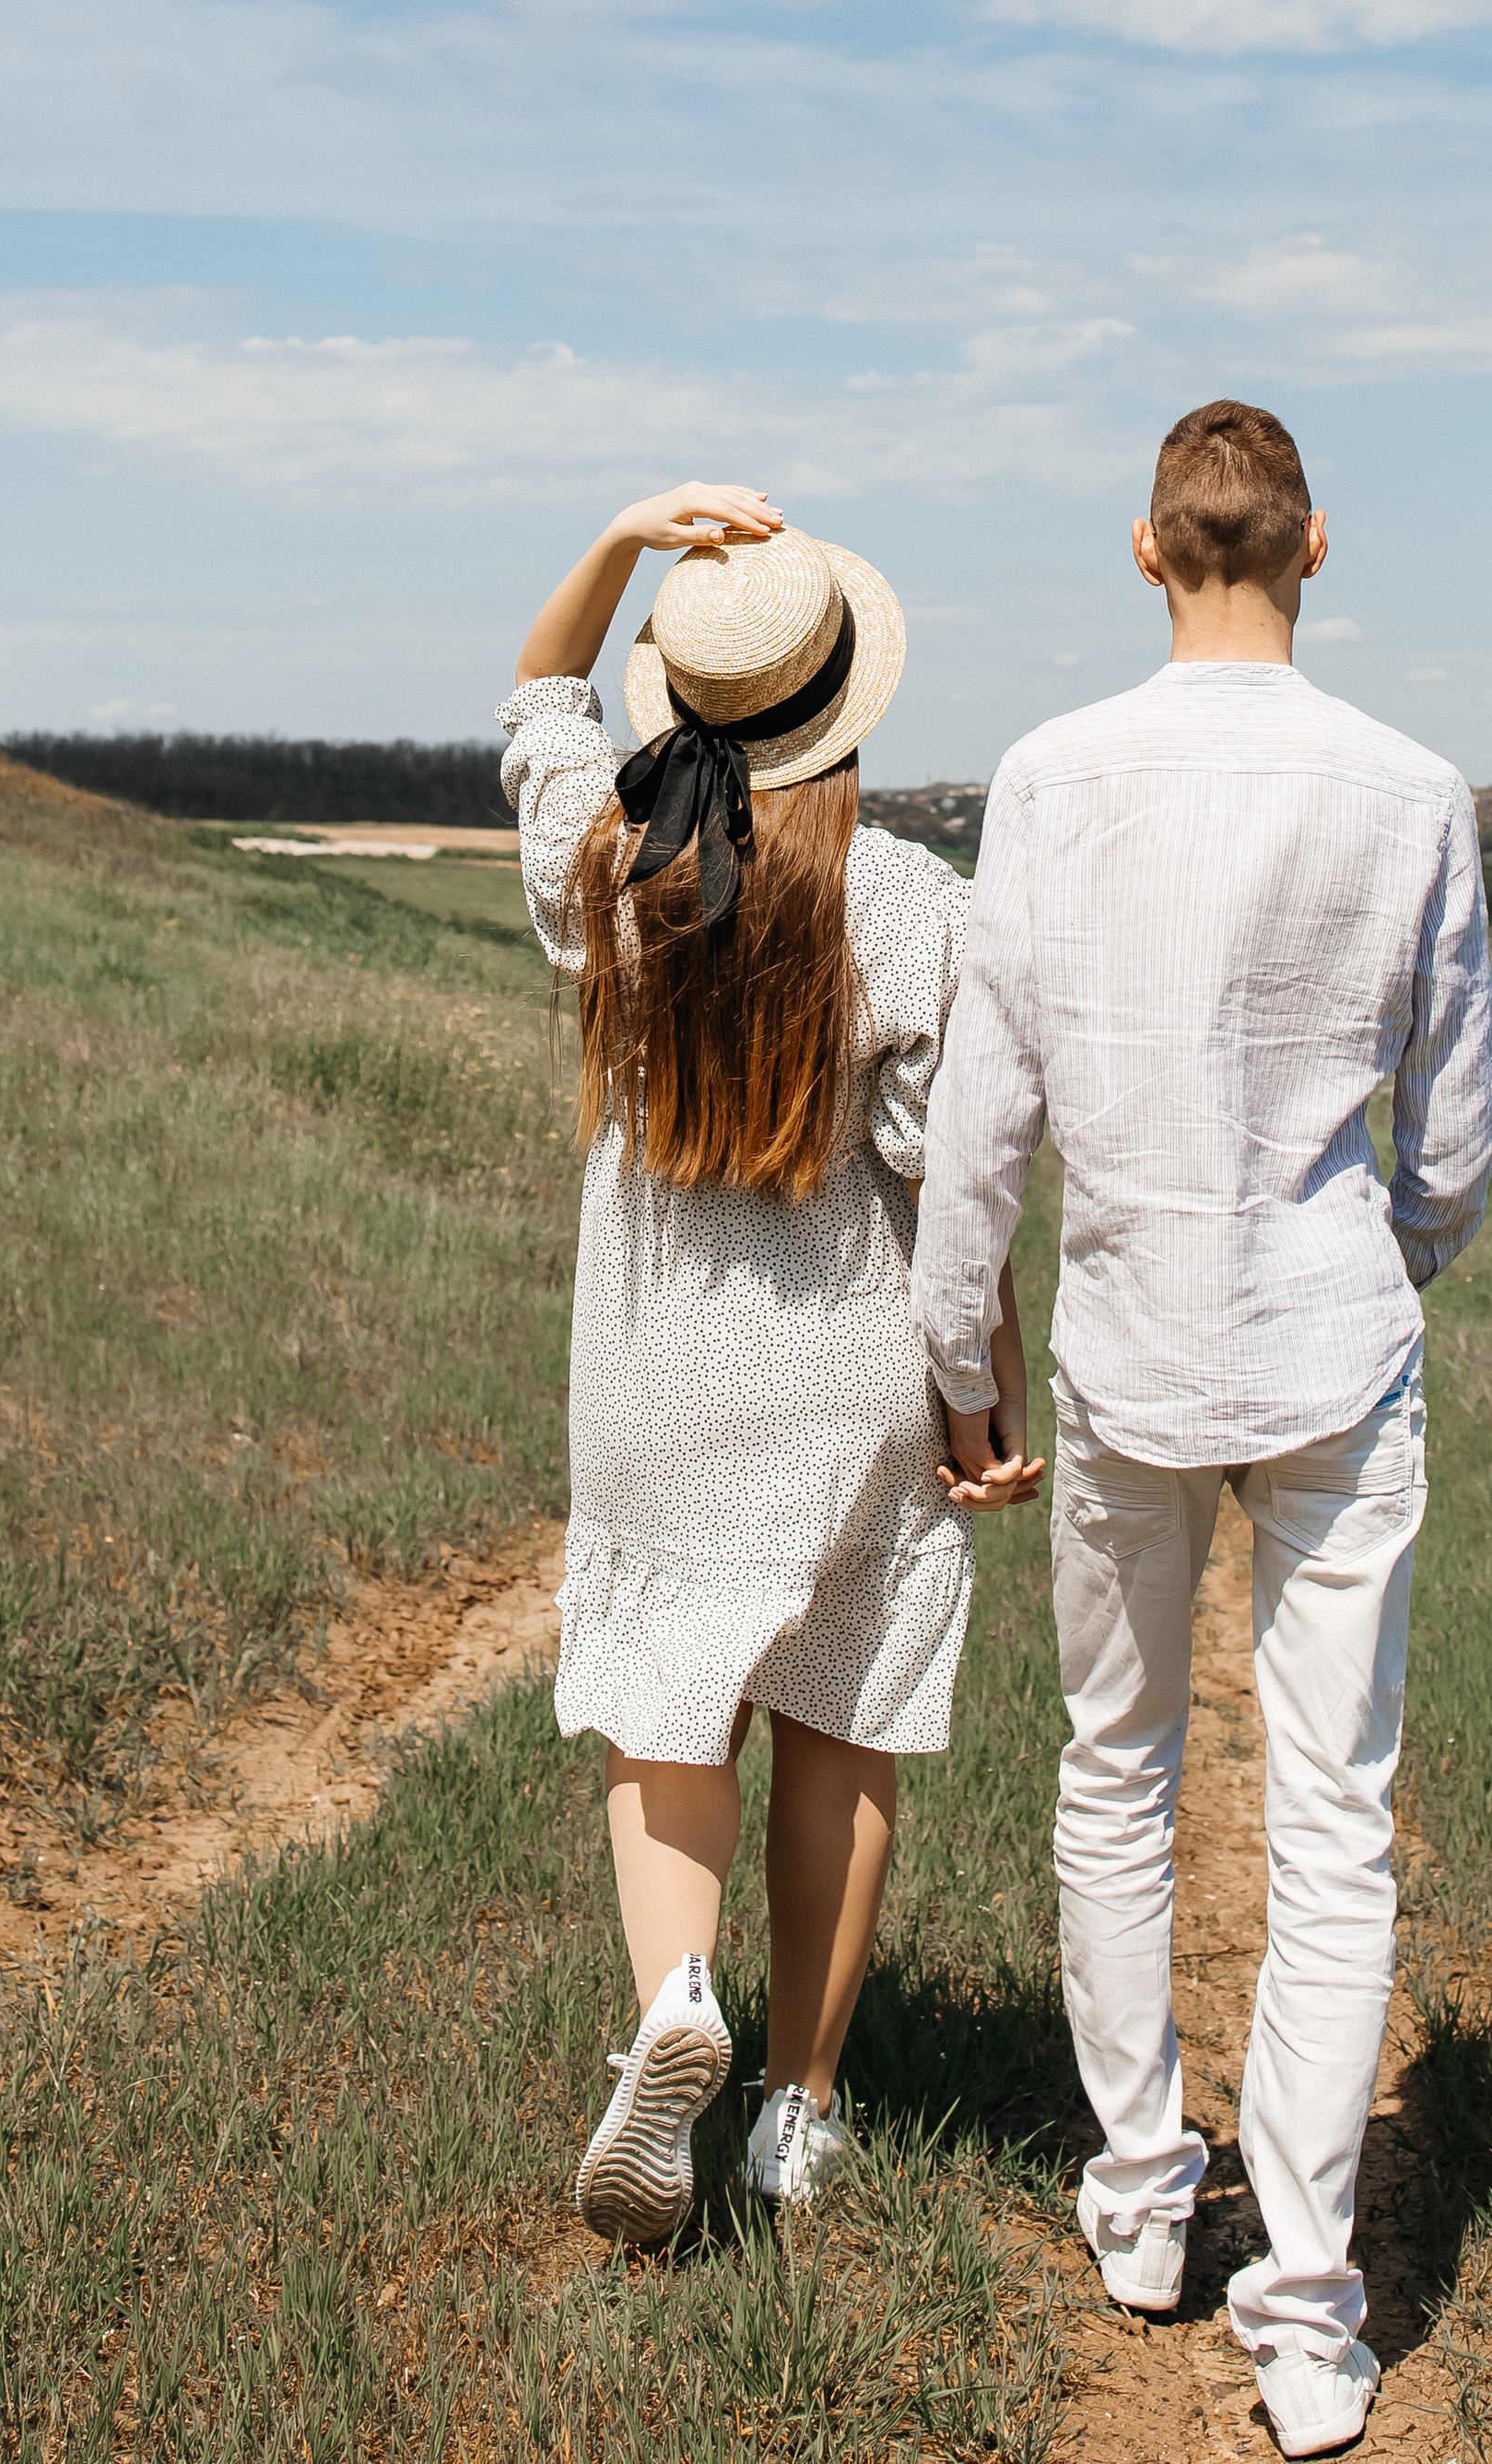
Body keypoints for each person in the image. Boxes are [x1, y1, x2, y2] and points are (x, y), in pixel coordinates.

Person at [910, 401, 1492, 2463]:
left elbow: (985, 1108)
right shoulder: (1408, 789)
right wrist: (1383, 1258)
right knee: (1331, 1820)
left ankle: (1144, 2201)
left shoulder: (1053, 778)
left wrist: (955, 1348)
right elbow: (1451, 1128)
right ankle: (1314, 2312)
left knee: (1117, 1769)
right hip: (1331, 1337)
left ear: (1146, 549)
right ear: (1313, 546)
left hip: (1128, 1335)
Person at [501, 480, 1042, 2251]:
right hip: (847, 1369)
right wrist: (983, 1394)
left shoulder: (611, 866)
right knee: (843, 1720)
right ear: (844, 701)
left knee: (665, 1700)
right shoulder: (912, 907)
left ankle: (675, 2005)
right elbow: (946, 1184)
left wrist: (617, 540)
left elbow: (537, 700)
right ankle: (797, 2114)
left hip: (655, 1359)